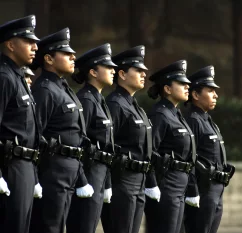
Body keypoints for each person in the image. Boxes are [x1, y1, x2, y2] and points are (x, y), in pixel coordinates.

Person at [29, 28, 94, 233]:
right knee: (49, 226)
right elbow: (34, 134)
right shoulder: (45, 89)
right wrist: (35, 178)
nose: (73, 56)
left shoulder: (63, 88)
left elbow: (77, 136)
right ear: (48, 58)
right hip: (52, 171)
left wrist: (81, 177)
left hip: (69, 171)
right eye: (66, 53)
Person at [100, 45, 153, 233]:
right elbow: (106, 146)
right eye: (138, 70)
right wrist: (106, 184)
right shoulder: (114, 104)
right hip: (121, 181)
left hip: (139, 181)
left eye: (143, 71)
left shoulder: (135, 106)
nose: (143, 74)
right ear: (122, 74)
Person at [66, 43, 117, 233]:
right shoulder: (86, 100)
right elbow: (80, 142)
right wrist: (82, 181)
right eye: (108, 67)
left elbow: (108, 146)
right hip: (88, 174)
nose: (114, 70)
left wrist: (108, 183)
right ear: (93, 72)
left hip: (100, 174)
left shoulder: (99, 99)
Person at [144, 60, 199, 233]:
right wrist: (152, 184)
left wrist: (192, 188)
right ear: (167, 89)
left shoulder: (176, 114)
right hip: (165, 185)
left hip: (179, 185)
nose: (187, 86)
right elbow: (149, 151)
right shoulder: (160, 114)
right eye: (182, 83)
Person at [0, 15, 41, 233]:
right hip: (9, 166)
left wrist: (32, 175)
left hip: (24, 167)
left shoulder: (17, 77)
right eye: (28, 41)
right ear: (10, 44)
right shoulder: (4, 77)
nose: (35, 46)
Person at [183, 66, 235, 233]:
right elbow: (189, 158)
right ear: (196, 95)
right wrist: (193, 190)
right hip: (203, 189)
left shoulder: (207, 120)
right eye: (210, 90)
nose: (216, 95)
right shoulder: (193, 120)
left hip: (216, 190)